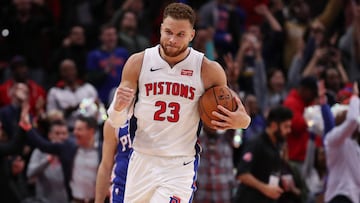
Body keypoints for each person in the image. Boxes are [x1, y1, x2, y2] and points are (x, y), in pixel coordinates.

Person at [106, 3, 251, 202]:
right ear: (160, 29)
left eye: (180, 34)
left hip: (179, 166)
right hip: (141, 158)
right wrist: (118, 108)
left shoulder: (208, 69)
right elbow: (115, 120)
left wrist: (241, 122)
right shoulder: (138, 62)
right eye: (168, 32)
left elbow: (240, 116)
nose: (172, 40)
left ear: (192, 34)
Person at [20, 110, 102, 203]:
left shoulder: (102, 151)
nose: (74, 132)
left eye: (79, 129)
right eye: (74, 129)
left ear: (91, 131)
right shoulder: (69, 147)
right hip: (75, 200)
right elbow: (43, 145)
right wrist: (28, 128)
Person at [233, 106, 293, 203]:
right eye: (286, 126)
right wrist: (266, 189)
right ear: (274, 125)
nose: (289, 130)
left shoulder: (278, 145)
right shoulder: (256, 143)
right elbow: (242, 174)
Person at [324, 82, 360, 203]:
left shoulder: (354, 145)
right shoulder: (333, 139)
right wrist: (355, 96)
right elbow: (353, 120)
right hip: (339, 197)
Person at [26, 120, 69, 203]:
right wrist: (48, 160)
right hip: (43, 200)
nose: (61, 137)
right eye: (57, 133)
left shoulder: (71, 152)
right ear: (50, 135)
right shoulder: (39, 152)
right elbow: (30, 173)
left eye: (64, 133)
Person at [95, 120, 132, 203]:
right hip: (122, 189)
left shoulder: (157, 119)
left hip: (154, 185)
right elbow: (105, 166)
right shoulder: (114, 122)